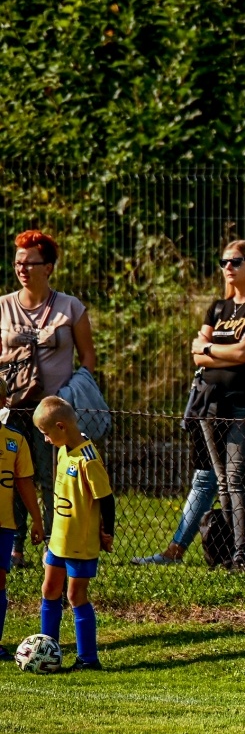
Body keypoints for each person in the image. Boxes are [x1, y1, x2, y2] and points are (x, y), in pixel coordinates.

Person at [1, 229, 96, 568]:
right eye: (18, 263)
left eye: (30, 263)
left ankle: (54, 543)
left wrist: (73, 391)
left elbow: (88, 356)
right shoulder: (3, 306)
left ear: (49, 267)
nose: (22, 269)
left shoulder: (70, 307)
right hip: (11, 408)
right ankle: (14, 546)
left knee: (51, 477)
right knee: (14, 476)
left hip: (51, 414)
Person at [190, 239, 245, 571]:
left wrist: (210, 350)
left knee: (237, 477)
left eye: (236, 261)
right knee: (222, 480)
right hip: (211, 401)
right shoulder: (218, 308)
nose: (228, 267)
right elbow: (195, 354)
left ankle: (244, 552)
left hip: (243, 403)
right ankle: (230, 551)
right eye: (224, 261)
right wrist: (221, 353)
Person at [33, 396, 114, 671]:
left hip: (80, 542)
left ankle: (88, 659)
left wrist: (107, 532)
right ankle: (47, 651)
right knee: (49, 589)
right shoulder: (63, 450)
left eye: (46, 434)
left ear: (61, 426)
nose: (45, 440)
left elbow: (107, 499)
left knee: (75, 595)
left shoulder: (87, 460)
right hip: (58, 539)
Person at [0, 387, 44, 661]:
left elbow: (24, 483)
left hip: (4, 525)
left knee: (0, 580)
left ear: (3, 401)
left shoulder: (15, 440)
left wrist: (37, 520)